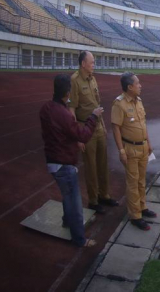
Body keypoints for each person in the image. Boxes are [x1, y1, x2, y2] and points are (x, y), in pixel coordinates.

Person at [39, 74, 103, 247]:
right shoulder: (64, 114)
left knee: (67, 196)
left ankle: (67, 221)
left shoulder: (46, 108)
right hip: (63, 164)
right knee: (74, 202)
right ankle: (80, 239)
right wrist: (93, 117)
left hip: (52, 160)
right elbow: (82, 135)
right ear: (68, 93)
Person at [69, 51, 117, 214]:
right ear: (83, 63)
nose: (94, 64)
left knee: (103, 163)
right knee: (91, 166)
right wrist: (78, 136)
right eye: (92, 62)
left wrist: (102, 126)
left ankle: (104, 195)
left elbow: (97, 103)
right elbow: (71, 109)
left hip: (98, 126)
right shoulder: (74, 81)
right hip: (84, 128)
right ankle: (93, 200)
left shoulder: (93, 78)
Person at [111, 72, 157, 231]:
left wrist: (149, 143)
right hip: (130, 149)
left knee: (141, 180)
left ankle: (143, 207)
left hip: (143, 147)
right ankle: (135, 215)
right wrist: (121, 151)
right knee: (132, 183)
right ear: (129, 87)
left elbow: (143, 124)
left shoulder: (139, 101)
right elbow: (116, 127)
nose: (140, 85)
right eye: (137, 83)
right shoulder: (119, 104)